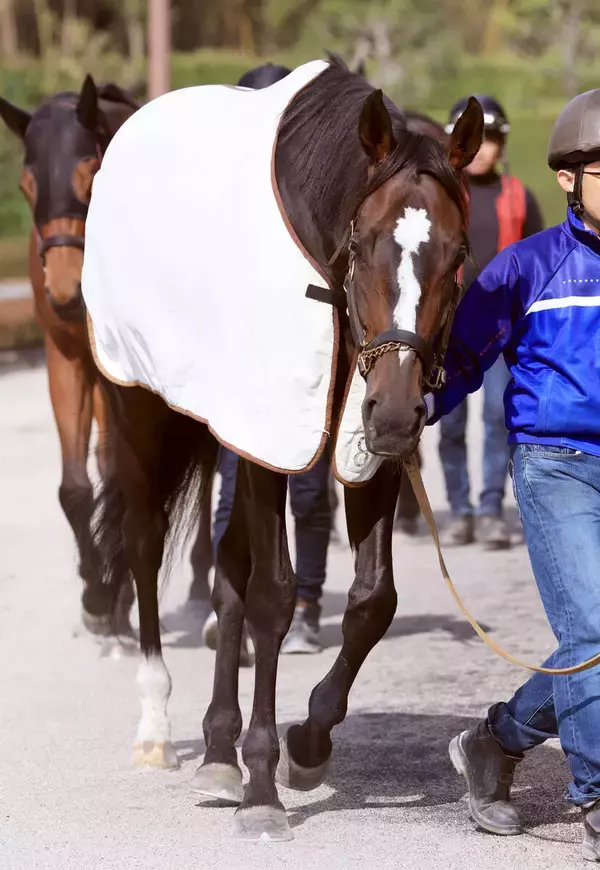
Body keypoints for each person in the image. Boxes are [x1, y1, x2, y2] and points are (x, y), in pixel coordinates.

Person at [426, 88, 600, 861]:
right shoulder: (527, 268)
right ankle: (594, 793)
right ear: (569, 177)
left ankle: (494, 742)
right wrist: (408, 417)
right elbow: (459, 359)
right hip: (558, 466)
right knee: (594, 631)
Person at [201, 63, 333, 656]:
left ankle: (305, 602)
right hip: (244, 367)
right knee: (234, 488)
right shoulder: (223, 191)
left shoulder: (321, 187)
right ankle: (231, 594)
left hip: (305, 365)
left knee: (306, 492)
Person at [439, 96, 544, 549]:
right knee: (450, 420)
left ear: (502, 145)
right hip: (446, 329)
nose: (482, 150)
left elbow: (544, 261)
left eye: (492, 140)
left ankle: (489, 510)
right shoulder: (439, 194)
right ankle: (459, 511)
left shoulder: (520, 196)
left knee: (500, 416)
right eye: (475, 140)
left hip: (501, 328)